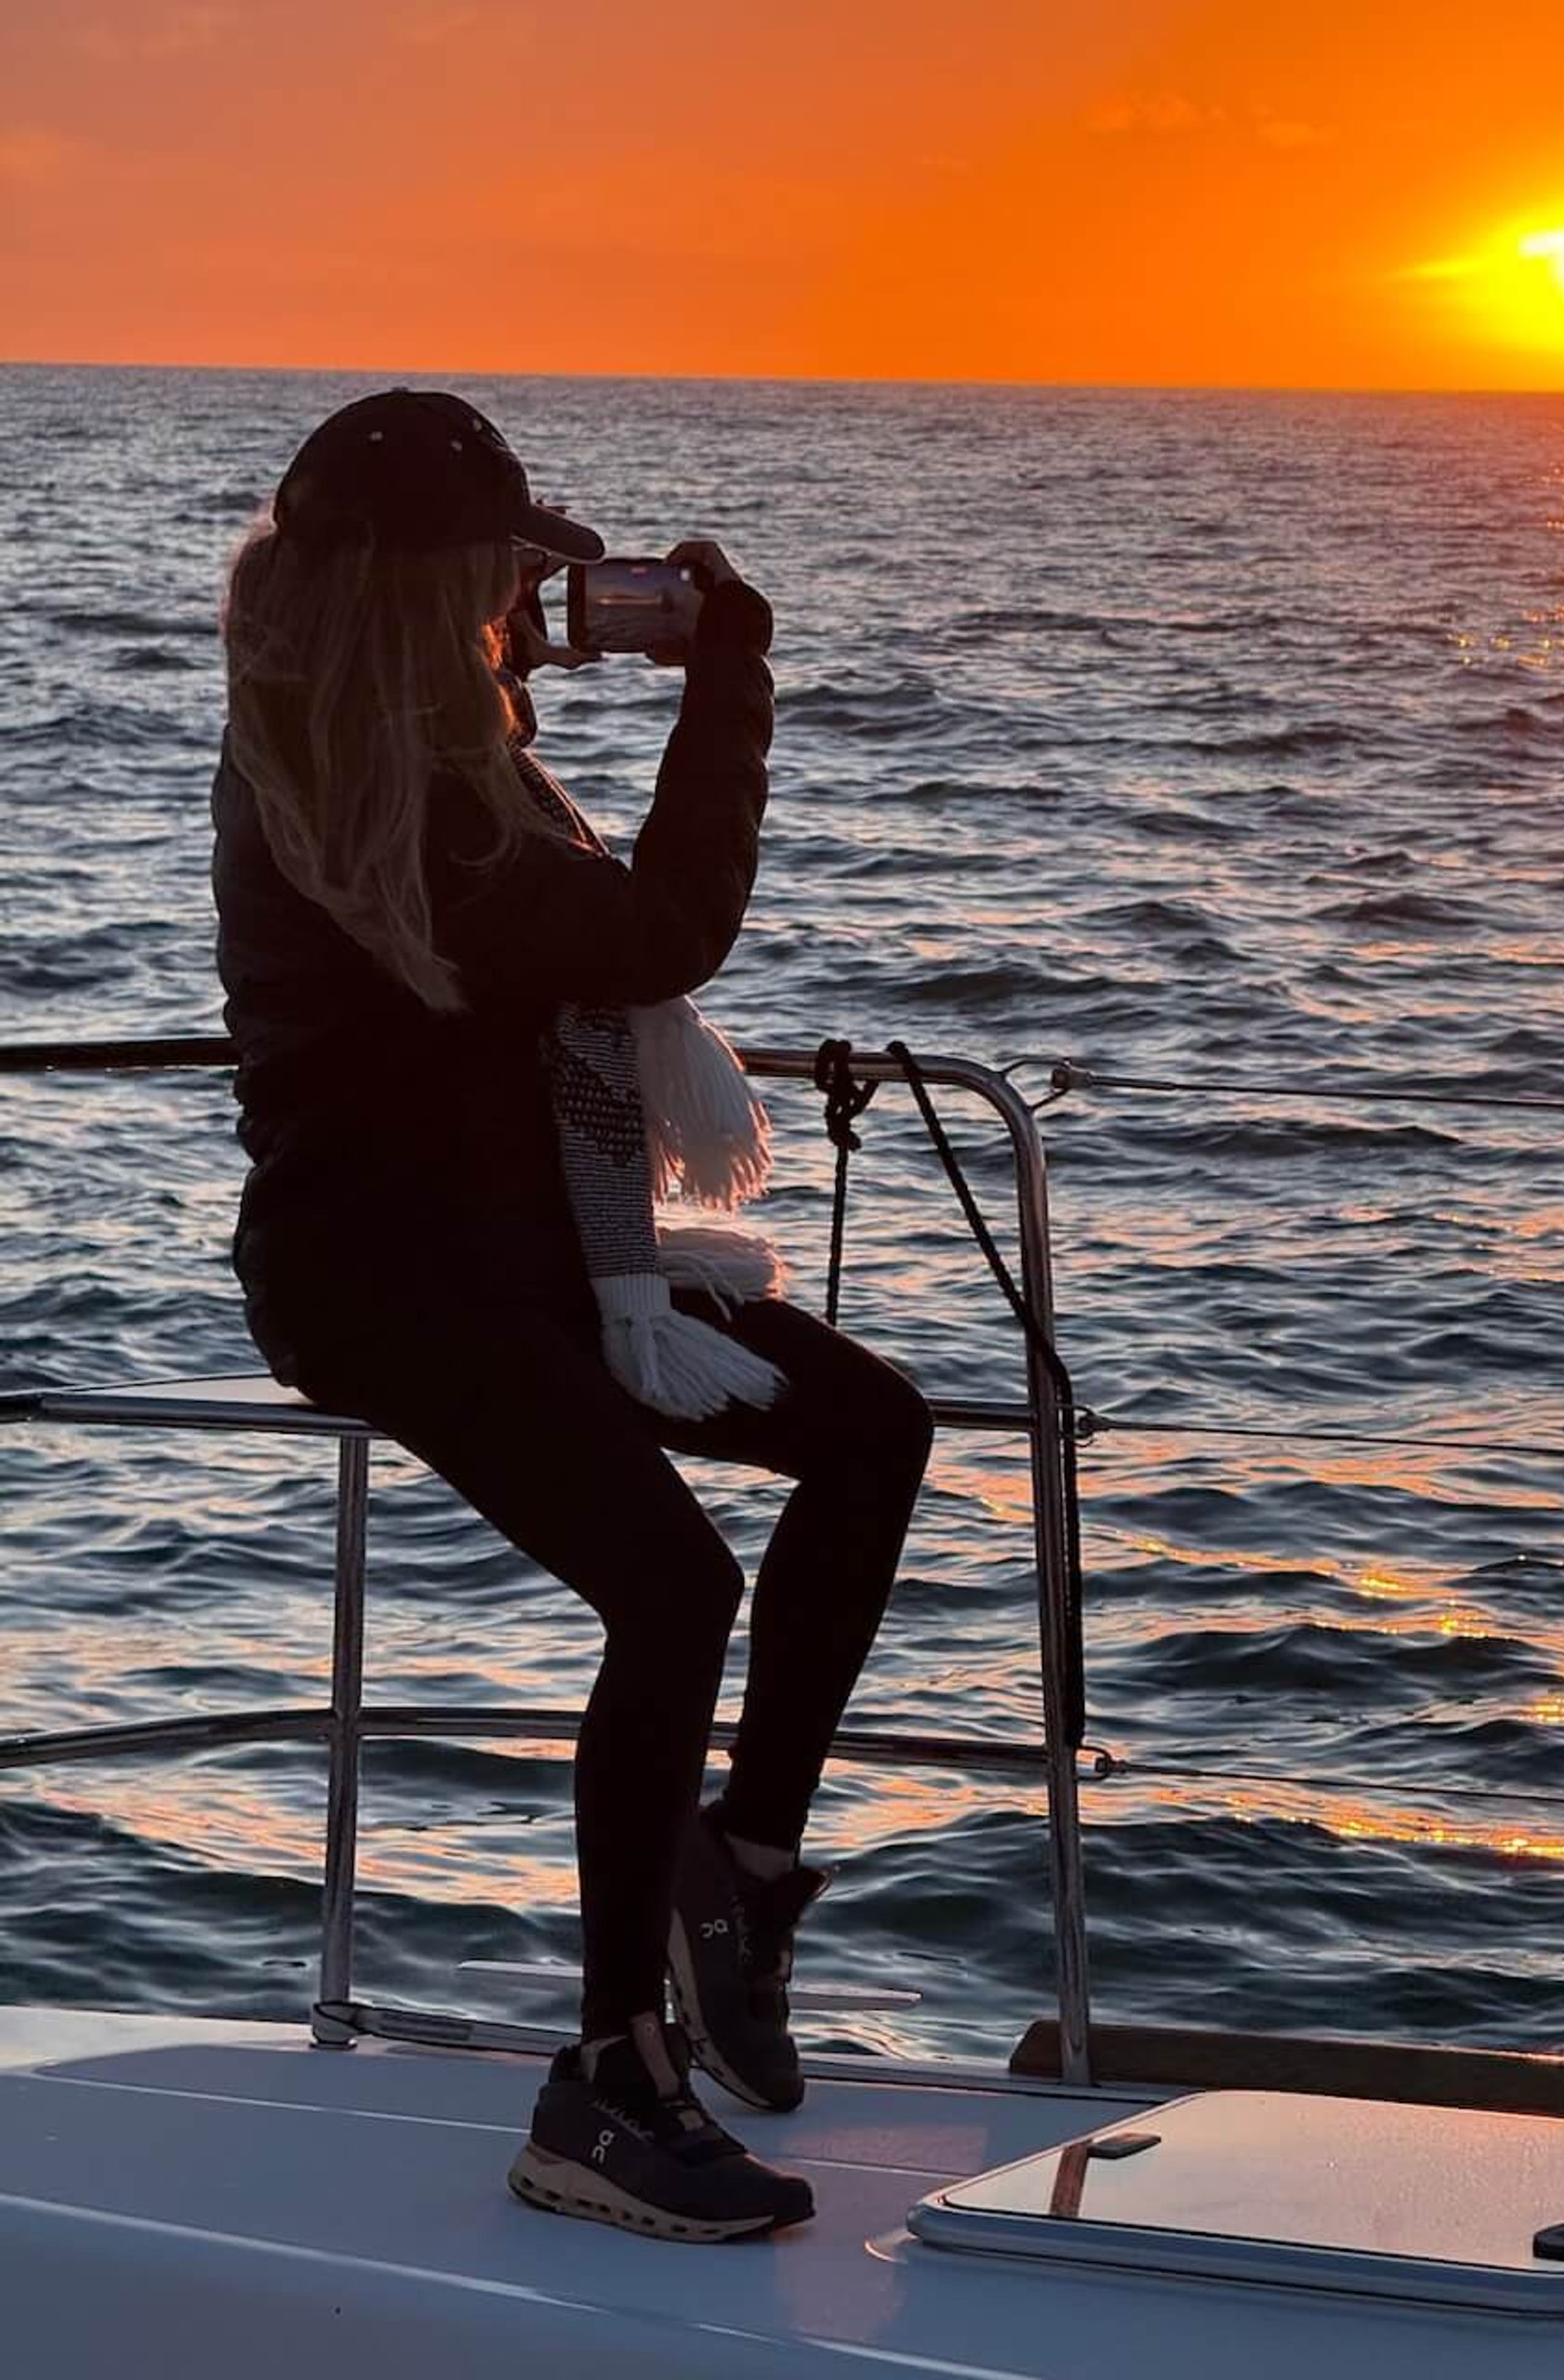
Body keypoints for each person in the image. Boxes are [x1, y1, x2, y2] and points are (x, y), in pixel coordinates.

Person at [208, 387, 934, 2241]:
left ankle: (741, 1873)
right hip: (383, 1280)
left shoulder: (411, 748)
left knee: (871, 1425)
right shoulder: (400, 797)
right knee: (675, 1585)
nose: (520, 601)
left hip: (522, 1250)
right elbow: (660, 934)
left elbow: (556, 932)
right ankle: (608, 2079)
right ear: (424, 587)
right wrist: (729, 678)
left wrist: (508, 676)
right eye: (497, 573)